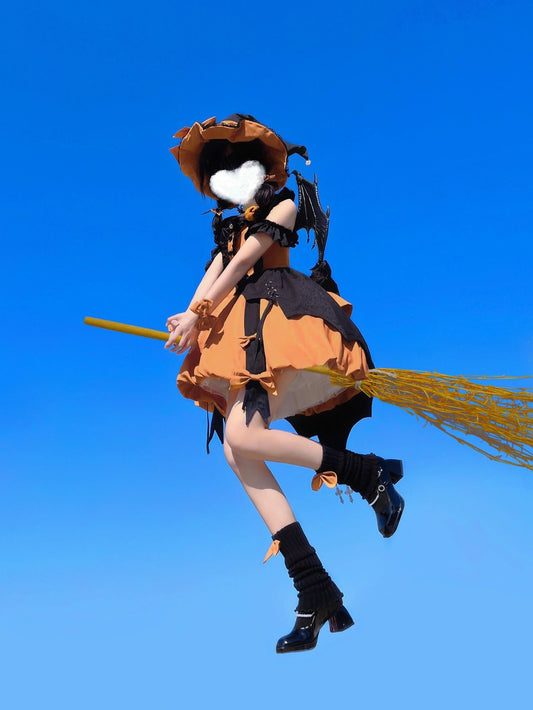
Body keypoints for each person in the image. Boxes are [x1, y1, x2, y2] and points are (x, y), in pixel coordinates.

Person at [165, 114, 404, 653]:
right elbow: (216, 271)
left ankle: (366, 473)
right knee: (238, 452)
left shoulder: (284, 205)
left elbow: (245, 263)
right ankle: (314, 588)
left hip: (273, 326)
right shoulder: (228, 228)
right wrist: (190, 313)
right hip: (234, 334)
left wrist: (200, 313)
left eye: (237, 166)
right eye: (220, 172)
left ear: (261, 167)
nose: (229, 178)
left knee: (243, 436)